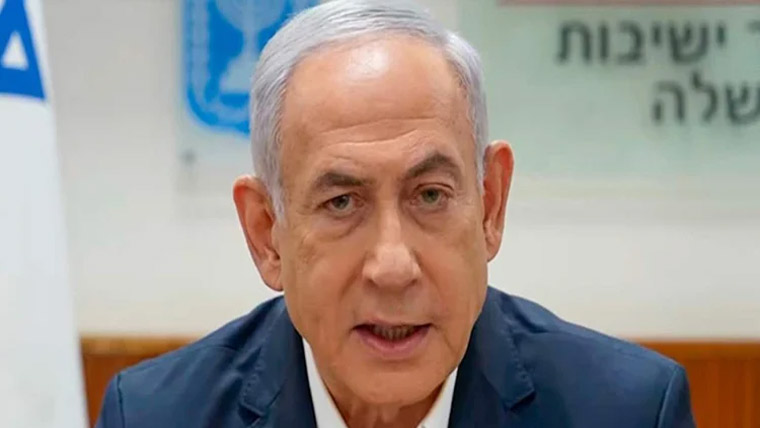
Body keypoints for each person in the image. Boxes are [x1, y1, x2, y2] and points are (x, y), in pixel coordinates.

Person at [95, 1, 695, 427]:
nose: (392, 266)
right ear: (266, 234)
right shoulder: (153, 416)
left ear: (490, 204)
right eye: (341, 203)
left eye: (429, 195)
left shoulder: (626, 411)